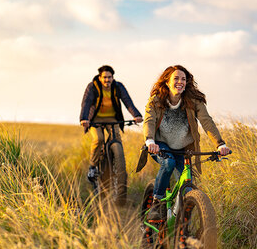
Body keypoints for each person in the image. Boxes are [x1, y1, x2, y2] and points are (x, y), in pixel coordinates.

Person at [143, 65, 230, 220]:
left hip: (184, 148)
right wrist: (150, 141)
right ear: (167, 82)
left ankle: (182, 225)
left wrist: (220, 144)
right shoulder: (155, 101)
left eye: (183, 79)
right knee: (168, 164)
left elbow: (206, 121)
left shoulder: (193, 101)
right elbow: (149, 120)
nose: (180, 82)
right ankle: (156, 203)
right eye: (176, 78)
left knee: (188, 186)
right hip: (161, 146)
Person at [80, 65, 143, 181]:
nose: (107, 80)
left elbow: (127, 102)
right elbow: (86, 103)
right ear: (99, 77)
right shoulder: (93, 87)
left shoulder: (118, 87)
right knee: (98, 139)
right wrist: (84, 118)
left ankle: (117, 163)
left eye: (109, 77)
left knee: (117, 138)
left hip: (112, 118)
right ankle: (92, 167)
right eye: (104, 77)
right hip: (95, 119)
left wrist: (137, 115)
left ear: (113, 78)